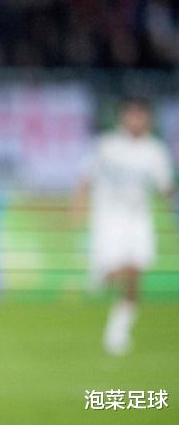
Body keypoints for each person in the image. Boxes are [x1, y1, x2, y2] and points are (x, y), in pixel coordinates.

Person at [76, 97, 175, 356]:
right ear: (123, 117)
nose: (136, 120)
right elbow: (86, 177)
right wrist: (79, 207)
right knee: (116, 271)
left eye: (141, 115)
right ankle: (100, 276)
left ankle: (118, 330)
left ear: (148, 119)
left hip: (138, 219)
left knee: (135, 272)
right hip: (109, 219)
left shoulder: (155, 151)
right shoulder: (107, 145)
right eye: (132, 114)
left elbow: (166, 188)